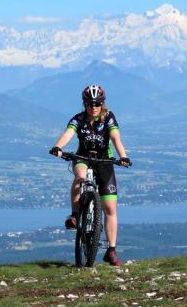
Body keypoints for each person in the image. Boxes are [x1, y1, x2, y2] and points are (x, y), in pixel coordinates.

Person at [49, 84, 131, 266]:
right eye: (90, 103)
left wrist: (123, 156)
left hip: (104, 161)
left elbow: (116, 139)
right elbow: (68, 133)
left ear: (103, 103)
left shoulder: (109, 118)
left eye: (98, 103)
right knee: (80, 176)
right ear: (84, 104)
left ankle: (111, 251)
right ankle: (75, 214)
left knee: (110, 208)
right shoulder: (79, 119)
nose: (94, 107)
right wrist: (58, 147)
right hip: (82, 157)